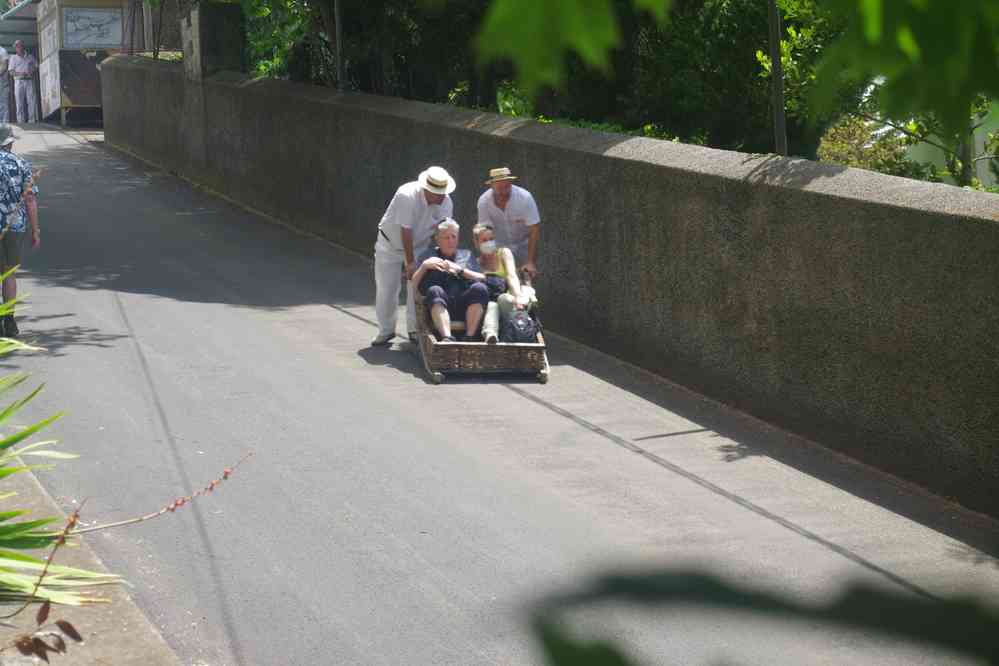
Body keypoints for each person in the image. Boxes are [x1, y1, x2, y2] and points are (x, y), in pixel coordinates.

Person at [372, 166, 455, 346]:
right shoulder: (406, 195)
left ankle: (414, 330)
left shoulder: (446, 202)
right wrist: (410, 264)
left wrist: (440, 258)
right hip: (390, 245)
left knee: (416, 287)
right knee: (387, 288)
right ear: (427, 190)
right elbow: (406, 231)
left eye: (444, 192)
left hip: (420, 246)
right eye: (438, 193)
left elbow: (444, 231)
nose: (443, 197)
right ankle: (386, 330)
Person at [412, 218, 489, 342]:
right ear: (437, 239)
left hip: (465, 305)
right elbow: (414, 286)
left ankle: (469, 337)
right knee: (434, 290)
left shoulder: (466, 255)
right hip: (438, 306)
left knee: (480, 289)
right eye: (446, 237)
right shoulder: (427, 256)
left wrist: (460, 270)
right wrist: (424, 266)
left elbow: (482, 278)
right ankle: (447, 337)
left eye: (453, 236)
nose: (451, 241)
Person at [0, 125, 40, 338]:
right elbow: (30, 200)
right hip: (14, 227)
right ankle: (9, 320)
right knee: (8, 273)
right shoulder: (21, 163)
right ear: (9, 142)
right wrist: (36, 230)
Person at [470, 223, 536, 344]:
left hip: (510, 301)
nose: (489, 243)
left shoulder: (504, 253)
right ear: (477, 243)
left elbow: (511, 275)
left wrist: (517, 296)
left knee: (502, 298)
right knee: (492, 305)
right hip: (489, 307)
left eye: (491, 239)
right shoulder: (476, 263)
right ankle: (490, 336)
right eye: (484, 240)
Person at [476, 166, 541, 279]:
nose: (503, 192)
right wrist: (489, 260)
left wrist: (530, 261)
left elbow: (534, 229)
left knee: (527, 283)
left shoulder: (525, 198)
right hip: (499, 249)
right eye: (499, 188)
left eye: (507, 187)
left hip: (524, 247)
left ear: (511, 183)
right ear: (491, 186)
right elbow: (484, 233)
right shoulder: (483, 202)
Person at [9, 41, 37, 124]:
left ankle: (32, 121)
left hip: (29, 81)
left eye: (20, 46)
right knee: (19, 102)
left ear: (23, 46)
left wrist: (32, 70)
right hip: (18, 81)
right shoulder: (13, 58)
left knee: (31, 101)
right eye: (17, 46)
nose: (18, 48)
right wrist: (20, 73)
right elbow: (11, 72)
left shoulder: (30, 57)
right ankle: (21, 122)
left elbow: (36, 66)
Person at [0, 46, 9, 123]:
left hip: (2, 81)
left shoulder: (2, 51)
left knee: (3, 103)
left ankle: (5, 123)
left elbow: (4, 66)